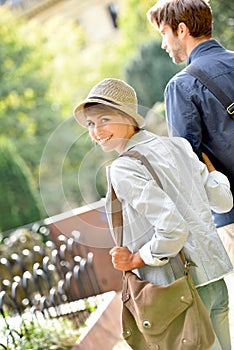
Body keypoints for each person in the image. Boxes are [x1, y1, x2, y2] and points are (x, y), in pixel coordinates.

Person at [73, 78, 233, 350]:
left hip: (179, 291)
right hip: (215, 279)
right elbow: (223, 201)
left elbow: (173, 228)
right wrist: (215, 173)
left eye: (104, 120)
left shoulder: (124, 168)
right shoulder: (179, 146)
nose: (96, 131)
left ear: (127, 116)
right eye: (90, 124)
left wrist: (137, 258)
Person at [147, 0, 234, 267]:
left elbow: (186, 164)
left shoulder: (182, 86)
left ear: (181, 30)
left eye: (164, 32)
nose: (163, 43)